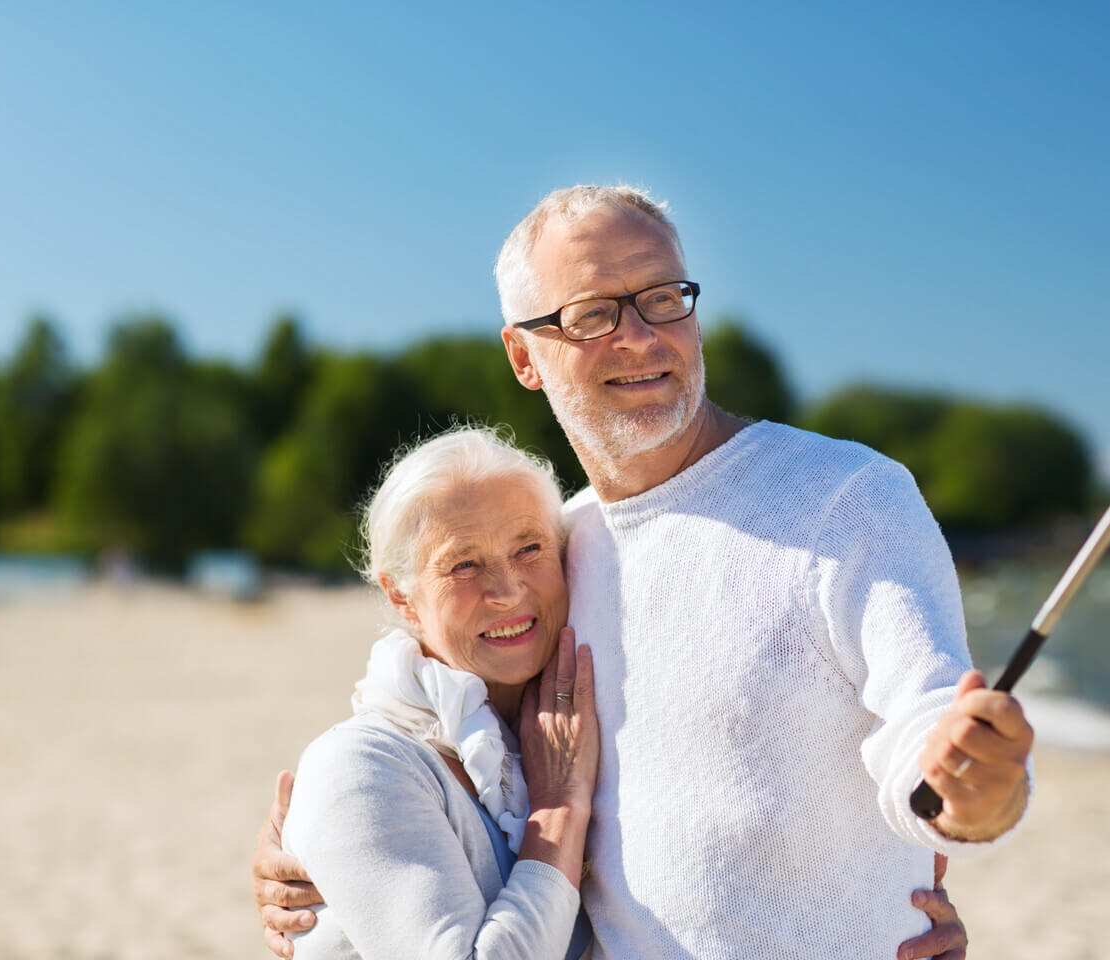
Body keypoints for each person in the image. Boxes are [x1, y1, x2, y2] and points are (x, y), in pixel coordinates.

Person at [256, 185, 1031, 958]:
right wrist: (310, 862)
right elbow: (459, 743)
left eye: (663, 298)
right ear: (524, 356)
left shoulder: (848, 498)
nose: (640, 336)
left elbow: (928, 725)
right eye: (593, 314)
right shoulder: (560, 545)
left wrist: (977, 794)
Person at [277, 429, 595, 959]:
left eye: (529, 548)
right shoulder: (357, 766)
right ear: (401, 595)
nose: (507, 589)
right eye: (464, 564)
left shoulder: (567, 727)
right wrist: (558, 811)